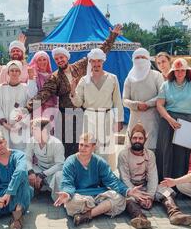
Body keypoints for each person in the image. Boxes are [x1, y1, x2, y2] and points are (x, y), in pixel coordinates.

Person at [26, 25, 123, 158]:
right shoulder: (55, 77)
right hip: (65, 117)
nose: (60, 60)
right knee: (67, 148)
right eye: (57, 59)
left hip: (82, 114)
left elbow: (99, 53)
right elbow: (42, 94)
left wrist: (113, 36)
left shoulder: (79, 67)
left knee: (84, 145)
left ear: (67, 57)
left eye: (62, 57)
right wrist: (27, 109)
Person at [118, 123, 191, 229]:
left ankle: (175, 214)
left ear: (145, 139)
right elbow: (124, 178)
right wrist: (136, 194)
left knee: (166, 190)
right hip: (130, 189)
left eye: (140, 138)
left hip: (147, 187)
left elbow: (153, 176)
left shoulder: (150, 154)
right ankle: (140, 218)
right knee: (125, 198)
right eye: (135, 138)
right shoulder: (123, 154)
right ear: (130, 138)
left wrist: (149, 197)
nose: (137, 141)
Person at [53, 133, 143, 226]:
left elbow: (111, 180)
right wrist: (67, 193)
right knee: (70, 203)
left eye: (86, 146)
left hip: (97, 194)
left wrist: (127, 191)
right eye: (81, 145)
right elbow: (67, 182)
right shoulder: (70, 161)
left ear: (93, 147)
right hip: (79, 195)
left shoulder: (99, 161)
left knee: (119, 197)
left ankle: (87, 215)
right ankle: (101, 209)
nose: (82, 148)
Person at [70, 48, 124, 169]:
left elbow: (117, 101)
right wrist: (73, 92)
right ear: (90, 63)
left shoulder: (112, 78)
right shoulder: (84, 80)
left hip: (106, 116)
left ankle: (105, 176)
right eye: (93, 61)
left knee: (105, 149)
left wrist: (119, 120)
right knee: (89, 147)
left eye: (98, 61)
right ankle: (89, 176)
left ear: (103, 61)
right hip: (89, 117)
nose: (96, 64)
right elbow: (78, 103)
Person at [156, 58, 191, 181]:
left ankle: (182, 185)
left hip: (188, 121)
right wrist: (169, 119)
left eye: (182, 70)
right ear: (173, 71)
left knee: (184, 154)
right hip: (168, 122)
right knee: (167, 152)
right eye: (177, 70)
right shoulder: (165, 85)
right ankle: (165, 183)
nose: (180, 73)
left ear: (187, 71)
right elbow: (160, 105)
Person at [123, 48, 164, 151]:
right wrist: (136, 105)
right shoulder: (129, 78)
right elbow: (124, 100)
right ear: (133, 59)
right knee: (133, 152)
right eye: (137, 57)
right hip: (134, 121)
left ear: (148, 59)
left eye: (143, 57)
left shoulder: (156, 75)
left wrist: (148, 104)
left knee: (151, 152)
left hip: (153, 121)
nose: (140, 60)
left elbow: (163, 95)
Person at [26, 118, 65, 200]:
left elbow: (60, 165)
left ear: (44, 131)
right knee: (23, 168)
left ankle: (51, 191)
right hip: (39, 169)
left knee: (59, 175)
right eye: (32, 129)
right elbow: (27, 158)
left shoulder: (56, 143)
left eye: (35, 130)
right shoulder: (31, 141)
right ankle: (33, 190)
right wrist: (30, 172)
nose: (32, 132)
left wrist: (43, 175)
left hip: (53, 172)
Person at [0, 60, 31, 150]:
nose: (14, 73)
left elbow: (29, 106)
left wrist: (19, 125)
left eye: (17, 70)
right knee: (6, 149)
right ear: (8, 72)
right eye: (12, 70)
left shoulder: (25, 87)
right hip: (5, 126)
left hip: (20, 127)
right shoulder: (2, 88)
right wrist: (5, 124)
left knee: (21, 151)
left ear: (20, 72)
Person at [26, 51, 56, 128]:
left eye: (44, 59)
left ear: (48, 61)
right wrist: (31, 78)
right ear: (36, 62)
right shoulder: (34, 76)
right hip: (38, 110)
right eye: (39, 60)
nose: (42, 62)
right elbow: (32, 94)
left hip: (52, 110)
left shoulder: (53, 76)